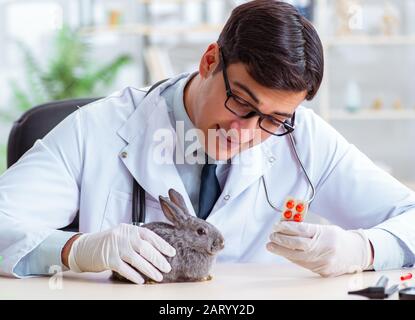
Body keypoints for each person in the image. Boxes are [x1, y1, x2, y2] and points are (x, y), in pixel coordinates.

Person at [0, 0, 414, 284]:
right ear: (210, 60)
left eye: (274, 119)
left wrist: (363, 249)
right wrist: (75, 249)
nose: (246, 133)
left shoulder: (304, 139)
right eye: (241, 102)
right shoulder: (96, 130)